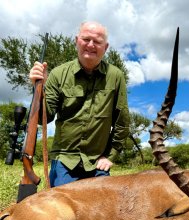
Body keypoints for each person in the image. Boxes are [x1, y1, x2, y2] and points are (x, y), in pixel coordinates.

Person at [29, 21, 130, 187]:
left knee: (104, 210)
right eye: (86, 39)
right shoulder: (58, 74)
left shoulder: (116, 76)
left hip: (98, 162)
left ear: (105, 47)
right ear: (77, 41)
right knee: (62, 210)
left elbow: (122, 122)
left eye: (97, 41)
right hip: (64, 160)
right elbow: (43, 119)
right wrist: (39, 89)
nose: (91, 45)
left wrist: (110, 156)